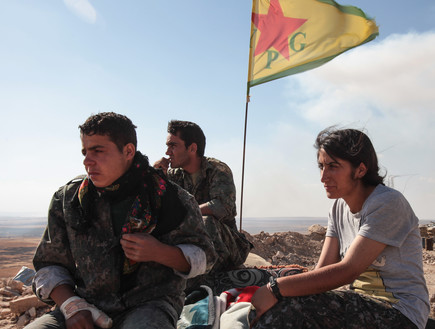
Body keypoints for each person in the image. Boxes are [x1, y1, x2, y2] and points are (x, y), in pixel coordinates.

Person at [26, 112, 216, 329]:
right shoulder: (69, 199)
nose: (87, 161)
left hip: (148, 305)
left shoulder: (169, 198)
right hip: (85, 306)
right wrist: (72, 306)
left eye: (98, 151)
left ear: (128, 151)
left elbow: (205, 258)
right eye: (85, 152)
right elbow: (48, 264)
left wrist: (159, 252)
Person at [249, 127, 429, 329]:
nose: (323, 177)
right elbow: (323, 269)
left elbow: (347, 271)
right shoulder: (338, 208)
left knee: (288, 308)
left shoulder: (387, 203)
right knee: (285, 298)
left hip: (399, 313)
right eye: (321, 166)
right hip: (359, 304)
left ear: (360, 170)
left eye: (333, 166)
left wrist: (275, 288)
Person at [154, 120, 252, 285]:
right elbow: (156, 206)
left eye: (173, 146)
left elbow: (222, 206)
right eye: (168, 146)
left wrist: (188, 213)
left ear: (192, 148)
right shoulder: (174, 175)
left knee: (206, 222)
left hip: (226, 244)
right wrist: (156, 175)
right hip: (193, 242)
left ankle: (200, 283)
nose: (167, 152)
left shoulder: (217, 170)